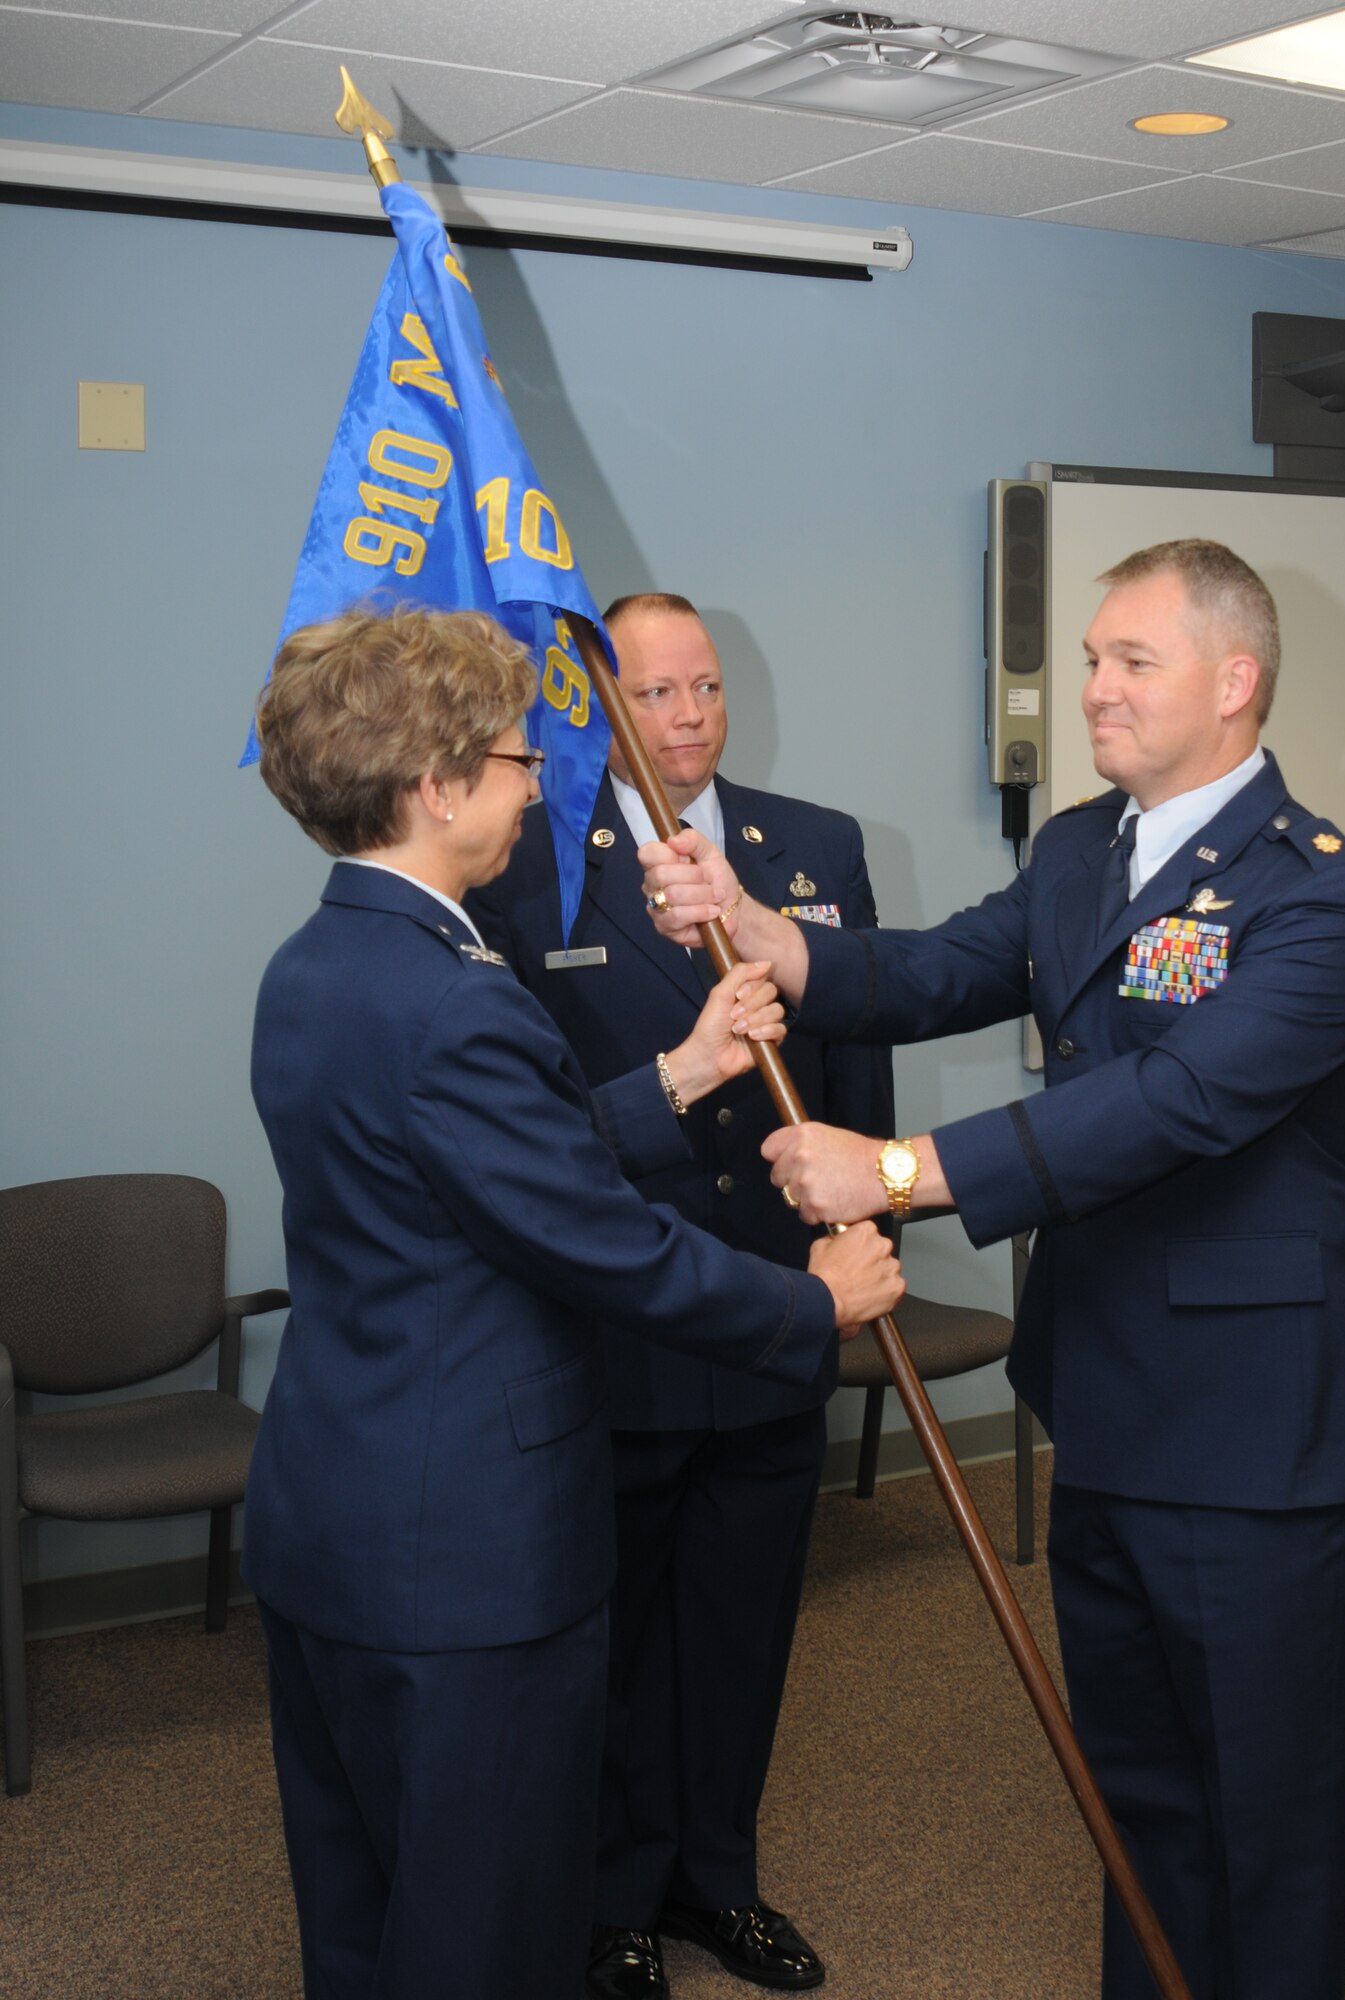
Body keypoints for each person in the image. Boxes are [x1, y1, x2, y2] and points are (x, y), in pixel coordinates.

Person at [639, 542, 1345, 2000]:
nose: (1093, 689)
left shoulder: (1325, 901)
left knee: (1268, 1815)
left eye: (1132, 662)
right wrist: (762, 935)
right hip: (1105, 1394)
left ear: (1234, 684)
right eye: (1094, 659)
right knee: (1138, 1799)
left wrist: (901, 1171)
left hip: (1257, 1430)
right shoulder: (1077, 849)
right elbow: (935, 969)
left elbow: (1172, 1104)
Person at [245, 606, 903, 2000]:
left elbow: (476, 1172)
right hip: (467, 1545)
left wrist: (672, 1078)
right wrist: (816, 1305)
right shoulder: (457, 998)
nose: (539, 777)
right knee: (483, 1924)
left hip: (339, 1509)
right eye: (508, 758)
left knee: (367, 1907)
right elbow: (609, 1247)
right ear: (433, 788)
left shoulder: (315, 967)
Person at [469, 592, 894, 2000]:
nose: (692, 716)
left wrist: (873, 1221)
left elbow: (857, 1060)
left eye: (705, 685)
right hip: (632, 1320)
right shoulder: (531, 860)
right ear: (601, 710)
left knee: (743, 1625)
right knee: (620, 1634)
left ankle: (721, 1880)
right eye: (656, 694)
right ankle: (613, 1902)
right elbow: (525, 1125)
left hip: (785, 1308)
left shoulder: (811, 847)